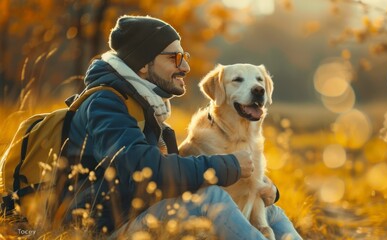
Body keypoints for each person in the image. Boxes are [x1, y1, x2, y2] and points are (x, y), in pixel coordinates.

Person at [63, 15, 302, 240]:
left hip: (145, 212)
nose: (186, 67)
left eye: (184, 56)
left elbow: (171, 175)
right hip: (108, 229)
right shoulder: (105, 103)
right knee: (212, 198)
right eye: (174, 58)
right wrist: (228, 164)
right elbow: (144, 169)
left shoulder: (146, 106)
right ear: (144, 65)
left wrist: (259, 187)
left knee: (272, 213)